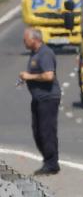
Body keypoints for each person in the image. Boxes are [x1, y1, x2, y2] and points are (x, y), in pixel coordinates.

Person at [19, 28, 62, 176]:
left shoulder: (45, 53)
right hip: (38, 98)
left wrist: (29, 77)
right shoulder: (35, 54)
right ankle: (49, 161)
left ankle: (52, 163)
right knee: (37, 132)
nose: (24, 42)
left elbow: (49, 76)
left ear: (34, 39)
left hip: (48, 98)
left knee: (46, 131)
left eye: (26, 39)